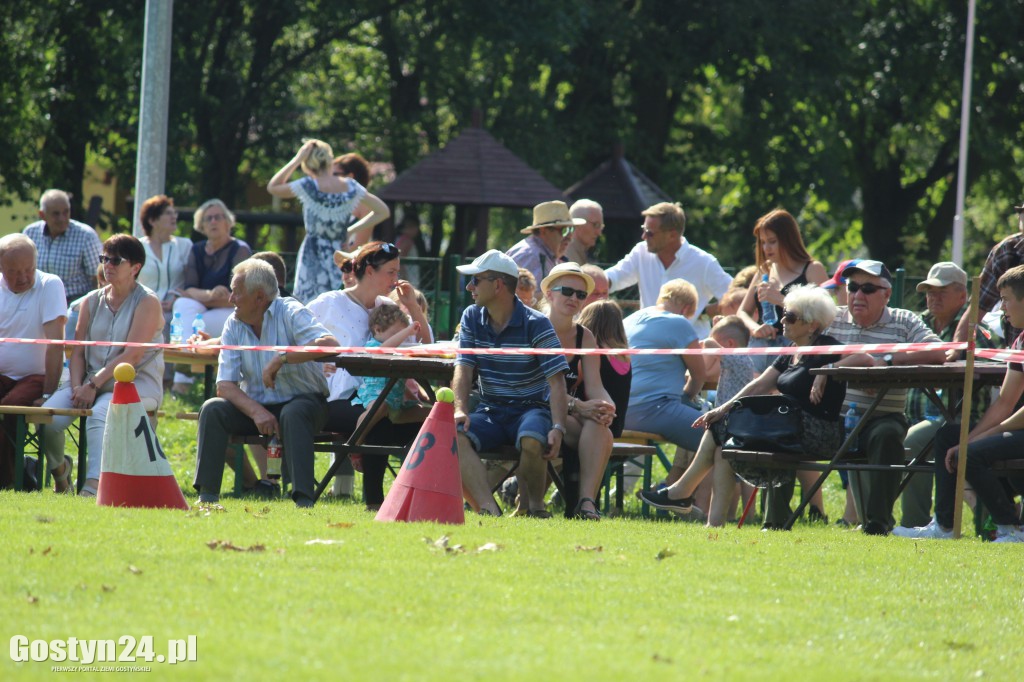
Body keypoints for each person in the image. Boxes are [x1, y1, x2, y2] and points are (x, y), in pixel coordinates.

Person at [642, 288, 853, 527]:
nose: (782, 320)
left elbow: (866, 358)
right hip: (789, 428)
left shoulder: (827, 346)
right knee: (723, 437)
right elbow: (760, 384)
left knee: (724, 428)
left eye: (790, 317)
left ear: (812, 325)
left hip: (818, 433)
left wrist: (828, 371)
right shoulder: (791, 352)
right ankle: (713, 523)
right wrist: (722, 409)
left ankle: (680, 493)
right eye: (783, 314)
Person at [193, 259, 340, 508]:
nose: (230, 299)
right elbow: (225, 386)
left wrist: (283, 358)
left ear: (259, 297)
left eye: (236, 292)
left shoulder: (291, 310)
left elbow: (330, 345)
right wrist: (256, 411)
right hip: (258, 408)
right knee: (212, 408)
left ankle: (303, 500)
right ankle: (207, 498)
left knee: (293, 413)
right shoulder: (233, 323)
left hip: (306, 404)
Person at [894, 264, 1024, 542]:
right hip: (1016, 427)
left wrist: (976, 441)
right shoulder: (1020, 341)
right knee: (948, 435)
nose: (1002, 308)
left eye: (1006, 300)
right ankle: (944, 525)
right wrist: (970, 438)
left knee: (972, 453)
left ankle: (1011, 528)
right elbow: (1004, 402)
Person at [826, 260, 947, 535]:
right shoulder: (831, 318)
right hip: (831, 417)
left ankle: (877, 525)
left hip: (880, 417)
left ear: (887, 295)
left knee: (888, 434)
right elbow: (798, 347)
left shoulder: (903, 321)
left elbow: (940, 352)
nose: (857, 295)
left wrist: (888, 361)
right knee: (783, 423)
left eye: (868, 288)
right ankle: (775, 521)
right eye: (853, 287)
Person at [307, 241, 430, 507]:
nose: (396, 278)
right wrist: (321, 361)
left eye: (398, 271)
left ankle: (423, 498)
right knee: (381, 423)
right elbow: (295, 336)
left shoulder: (387, 307)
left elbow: (423, 347)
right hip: (335, 399)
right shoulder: (329, 303)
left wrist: (413, 306)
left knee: (429, 423)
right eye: (391, 272)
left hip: (383, 397)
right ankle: (376, 502)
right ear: (370, 271)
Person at [40, 234, 164, 497]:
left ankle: (93, 486)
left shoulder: (148, 302)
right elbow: (78, 352)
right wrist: (76, 387)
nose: (107, 265)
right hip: (88, 382)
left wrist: (92, 386)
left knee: (99, 414)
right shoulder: (91, 300)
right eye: (104, 259)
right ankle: (60, 472)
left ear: (135, 268)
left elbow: (132, 356)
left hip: (136, 383)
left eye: (115, 260)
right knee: (46, 418)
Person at [452, 250, 569, 517]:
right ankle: (488, 507)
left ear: (497, 285)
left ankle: (534, 509)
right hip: (490, 409)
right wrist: (460, 409)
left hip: (532, 410)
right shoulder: (471, 316)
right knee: (453, 434)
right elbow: (463, 368)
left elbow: (557, 382)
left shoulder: (537, 323)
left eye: (475, 280)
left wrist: (558, 428)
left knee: (531, 439)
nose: (470, 287)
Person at [267, 139, 390, 304]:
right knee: (338, 304)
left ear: (308, 164)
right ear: (329, 159)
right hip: (338, 254)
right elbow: (383, 211)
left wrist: (297, 159)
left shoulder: (308, 186)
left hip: (311, 254)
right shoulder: (350, 187)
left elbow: (273, 187)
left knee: (308, 308)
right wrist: (349, 230)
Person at [541, 263, 617, 520]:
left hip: (565, 414)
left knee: (599, 424)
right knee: (599, 430)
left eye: (581, 294)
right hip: (534, 409)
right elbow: (536, 386)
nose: (574, 298)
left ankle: (585, 503)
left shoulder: (585, 337)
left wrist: (607, 406)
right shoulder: (534, 328)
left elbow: (595, 386)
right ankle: (586, 503)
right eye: (567, 291)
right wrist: (579, 406)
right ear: (550, 293)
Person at [605, 202, 732, 338]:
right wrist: (589, 280)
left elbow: (734, 296)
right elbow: (614, 277)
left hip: (691, 350)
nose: (643, 236)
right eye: (644, 229)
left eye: (649, 233)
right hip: (649, 344)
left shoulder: (704, 262)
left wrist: (704, 311)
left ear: (672, 235)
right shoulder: (640, 252)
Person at [0, 235, 67, 490]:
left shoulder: (50, 284)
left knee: (8, 409)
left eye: (29, 269)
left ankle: (11, 481)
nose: (23, 277)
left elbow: (55, 345)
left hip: (35, 377)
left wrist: (49, 393)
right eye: (14, 272)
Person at [170, 199, 252, 393]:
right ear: (201, 225)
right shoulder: (196, 249)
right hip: (204, 310)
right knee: (182, 304)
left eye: (218, 217)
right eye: (208, 218)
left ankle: (184, 373)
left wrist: (204, 297)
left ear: (228, 222)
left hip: (229, 311)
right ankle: (185, 368)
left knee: (192, 315)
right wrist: (210, 294)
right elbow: (188, 289)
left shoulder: (240, 249)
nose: (213, 221)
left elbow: (241, 295)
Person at [622, 279, 707, 457]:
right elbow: (699, 375)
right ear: (685, 309)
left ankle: (679, 482)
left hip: (620, 409)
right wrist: (686, 397)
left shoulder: (629, 320)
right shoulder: (679, 323)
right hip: (655, 409)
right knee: (720, 437)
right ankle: (688, 485)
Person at [954, 200, 1024, 346]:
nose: (1021, 216)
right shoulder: (1007, 251)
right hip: (1017, 351)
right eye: (1021, 212)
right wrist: (957, 347)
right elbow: (978, 306)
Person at [353, 303, 429, 431]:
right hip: (374, 397)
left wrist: (415, 399)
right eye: (397, 334)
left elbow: (398, 381)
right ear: (377, 329)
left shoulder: (395, 350)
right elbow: (382, 351)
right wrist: (408, 331)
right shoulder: (373, 346)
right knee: (379, 407)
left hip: (397, 405)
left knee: (429, 413)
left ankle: (419, 449)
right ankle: (355, 442)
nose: (401, 339)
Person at [22, 189, 102, 303]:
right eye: (56, 214)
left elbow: (98, 277)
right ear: (42, 215)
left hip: (73, 302)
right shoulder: (30, 233)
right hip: (36, 299)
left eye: (66, 212)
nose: (62, 218)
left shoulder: (86, 236)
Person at [137, 195, 193, 337]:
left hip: (176, 311)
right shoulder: (137, 247)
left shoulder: (185, 245)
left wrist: (178, 298)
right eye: (168, 213)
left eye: (174, 213)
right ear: (152, 220)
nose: (174, 216)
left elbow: (192, 280)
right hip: (143, 308)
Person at [506, 200, 583, 286]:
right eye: (564, 230)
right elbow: (528, 297)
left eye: (571, 229)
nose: (569, 237)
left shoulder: (545, 254)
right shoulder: (531, 256)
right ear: (544, 231)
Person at [334, 152, 374, 251]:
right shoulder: (332, 200)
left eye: (335, 174)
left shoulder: (365, 204)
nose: (330, 178)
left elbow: (359, 247)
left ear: (350, 177)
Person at [566, 199, 604, 265]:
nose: (599, 233)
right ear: (578, 224)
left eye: (601, 226)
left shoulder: (578, 252)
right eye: (596, 225)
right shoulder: (565, 257)